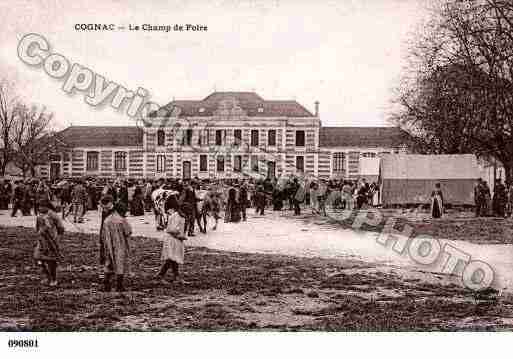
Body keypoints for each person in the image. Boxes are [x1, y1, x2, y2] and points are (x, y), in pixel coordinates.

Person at [99, 198, 132, 292]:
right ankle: (119, 285)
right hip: (120, 245)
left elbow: (103, 234)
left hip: (108, 244)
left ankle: (106, 284)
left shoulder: (107, 220)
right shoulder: (122, 220)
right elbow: (128, 231)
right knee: (119, 263)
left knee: (108, 263)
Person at [155, 194, 187, 284]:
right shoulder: (176, 216)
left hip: (176, 240)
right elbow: (170, 229)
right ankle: (161, 275)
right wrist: (180, 236)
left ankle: (176, 276)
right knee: (171, 258)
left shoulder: (180, 216)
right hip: (172, 240)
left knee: (174, 259)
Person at [34, 200, 65, 286]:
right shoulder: (39, 215)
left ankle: (54, 279)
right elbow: (37, 228)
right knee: (37, 258)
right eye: (39, 207)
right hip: (41, 241)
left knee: (51, 261)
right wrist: (38, 237)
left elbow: (61, 228)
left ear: (47, 207)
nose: (40, 208)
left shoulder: (53, 215)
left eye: (42, 206)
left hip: (51, 241)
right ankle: (47, 276)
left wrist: (57, 240)